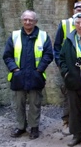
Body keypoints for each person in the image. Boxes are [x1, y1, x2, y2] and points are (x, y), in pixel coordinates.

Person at [3, 10, 54, 140]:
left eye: (30, 20)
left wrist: (40, 69)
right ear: (22, 20)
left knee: (35, 103)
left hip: (35, 76)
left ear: (35, 21)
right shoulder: (14, 36)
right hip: (18, 77)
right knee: (18, 104)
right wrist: (14, 69)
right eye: (25, 19)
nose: (27, 22)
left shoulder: (43, 36)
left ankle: (34, 127)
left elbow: (48, 54)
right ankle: (20, 127)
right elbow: (7, 55)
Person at [54, 0, 81, 135]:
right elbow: (57, 48)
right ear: (73, 11)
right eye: (78, 9)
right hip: (71, 71)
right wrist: (64, 70)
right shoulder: (65, 25)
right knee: (70, 100)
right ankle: (68, 124)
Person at [59, 13, 81, 147]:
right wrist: (65, 73)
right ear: (74, 24)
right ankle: (77, 135)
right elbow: (61, 58)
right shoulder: (68, 39)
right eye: (77, 23)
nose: (80, 25)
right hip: (73, 79)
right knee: (74, 110)